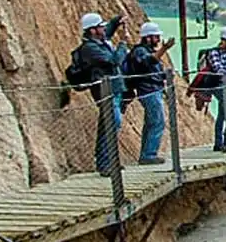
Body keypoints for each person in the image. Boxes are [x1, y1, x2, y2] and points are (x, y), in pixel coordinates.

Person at [75, 12, 127, 176]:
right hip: (105, 91)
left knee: (108, 124)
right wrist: (123, 43)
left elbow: (108, 31)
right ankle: (105, 164)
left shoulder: (97, 42)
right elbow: (114, 61)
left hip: (113, 89)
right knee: (112, 123)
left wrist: (116, 21)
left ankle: (106, 162)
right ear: (92, 30)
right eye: (100, 27)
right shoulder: (90, 49)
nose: (104, 29)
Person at [125, 23, 176, 165]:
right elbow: (147, 63)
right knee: (157, 122)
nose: (158, 39)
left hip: (153, 90)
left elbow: (153, 69)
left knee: (151, 123)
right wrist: (164, 49)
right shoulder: (140, 51)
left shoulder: (146, 51)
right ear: (148, 38)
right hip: (148, 91)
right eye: (156, 37)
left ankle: (146, 153)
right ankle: (149, 154)